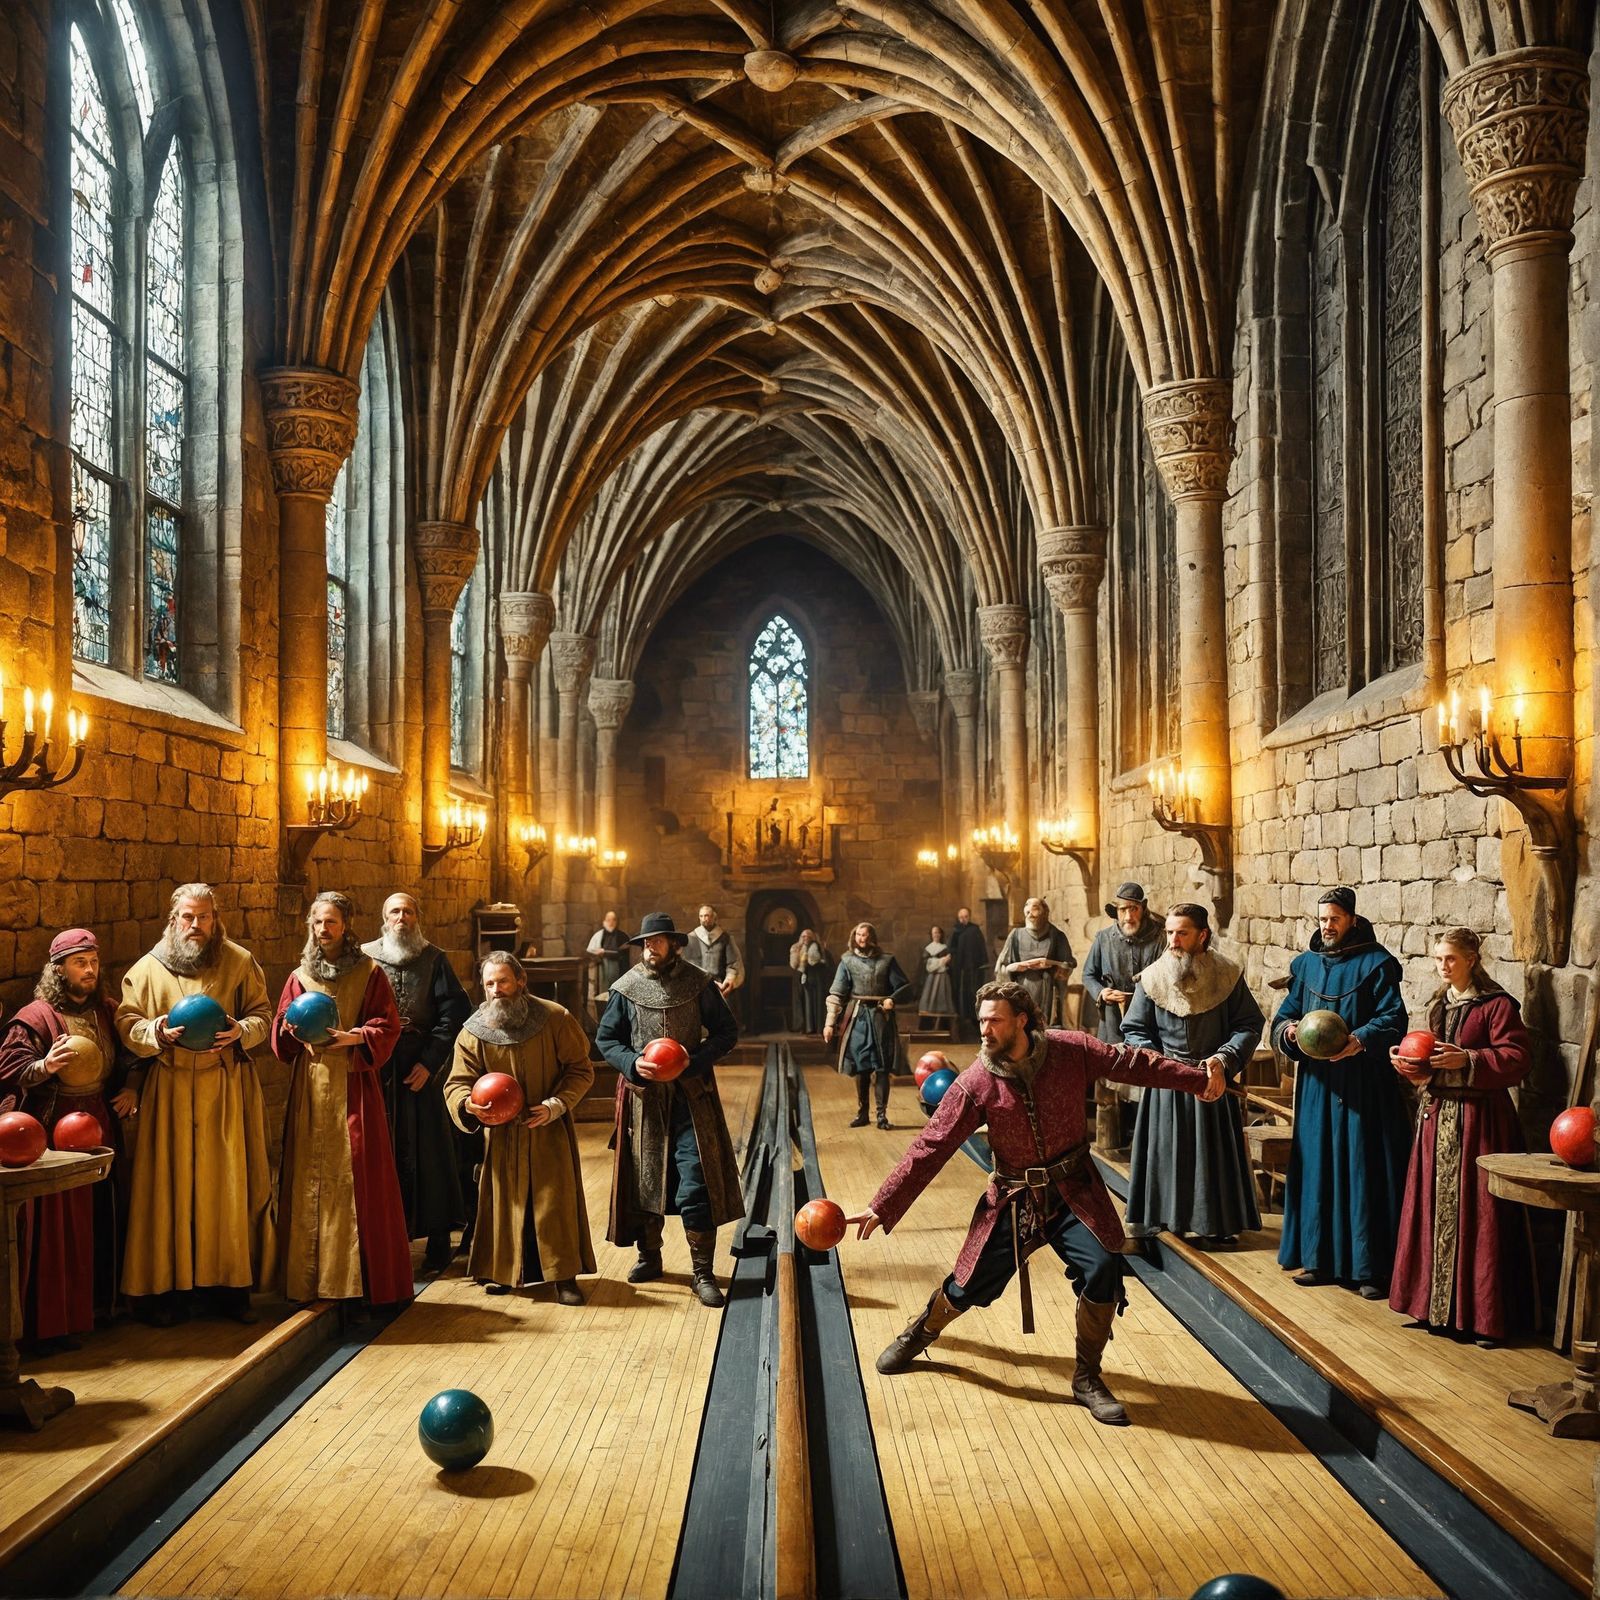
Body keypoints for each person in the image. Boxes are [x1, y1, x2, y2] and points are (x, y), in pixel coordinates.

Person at [846, 980, 1225, 1425]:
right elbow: (931, 1146)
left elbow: (1134, 1062)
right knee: (969, 1286)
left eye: (995, 1020)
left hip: (1074, 1191)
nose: (985, 1029)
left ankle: (1087, 1378)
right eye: (982, 1019)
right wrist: (883, 1205)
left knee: (1103, 1270)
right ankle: (921, 1331)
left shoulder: (1071, 1050)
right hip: (1013, 1200)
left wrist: (1199, 1078)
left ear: (1022, 1020)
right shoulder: (976, 1082)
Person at [116, 883, 273, 1326]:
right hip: (169, 1090)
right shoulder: (147, 970)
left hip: (223, 1090)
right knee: (168, 1188)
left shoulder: (239, 962)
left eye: (204, 917)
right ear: (173, 919)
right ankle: (166, 1293)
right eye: (188, 917)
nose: (196, 925)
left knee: (224, 1189)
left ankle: (227, 1289)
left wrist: (241, 1031)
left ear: (215, 918)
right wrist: (157, 1032)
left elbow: (263, 1013)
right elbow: (127, 1021)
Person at [1388, 928, 1534, 1346]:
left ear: (1472, 958)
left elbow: (1518, 1058)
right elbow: (1430, 1062)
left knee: (1480, 1214)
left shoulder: (1498, 1006)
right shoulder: (1439, 1005)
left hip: (1480, 1122)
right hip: (1437, 1121)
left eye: (1450, 958)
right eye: (1438, 959)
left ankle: (1483, 1317)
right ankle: (1432, 1308)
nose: (1443, 966)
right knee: (1431, 1210)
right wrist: (1409, 1065)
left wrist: (1469, 1058)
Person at [270, 892, 411, 1308]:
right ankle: (308, 1282)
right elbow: (282, 1025)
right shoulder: (299, 976)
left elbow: (388, 1024)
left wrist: (356, 1038)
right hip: (310, 1091)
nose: (324, 930)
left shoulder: (368, 973)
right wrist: (289, 1034)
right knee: (306, 1177)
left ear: (346, 925)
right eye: (317, 922)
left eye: (331, 922)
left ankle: (361, 1286)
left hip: (354, 1089)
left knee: (360, 1178)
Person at [598, 911, 742, 1306]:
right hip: (644, 1101)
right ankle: (650, 1256)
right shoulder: (625, 988)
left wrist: (692, 1062)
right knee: (646, 1180)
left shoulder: (698, 984)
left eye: (657, 940)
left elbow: (727, 1032)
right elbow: (607, 1040)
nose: (650, 947)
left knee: (696, 1181)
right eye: (645, 942)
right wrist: (631, 1064)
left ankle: (702, 1272)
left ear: (675, 944)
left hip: (691, 1100)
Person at [1273, 885, 1410, 1298]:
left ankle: (1370, 1270)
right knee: (1318, 1165)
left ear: (1351, 918)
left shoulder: (1378, 963)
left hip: (1364, 1083)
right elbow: (1283, 1016)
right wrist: (1291, 1032)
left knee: (1361, 1168)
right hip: (1317, 1085)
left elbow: (1394, 1018)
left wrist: (1361, 1039)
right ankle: (1319, 1260)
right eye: (1321, 919)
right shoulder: (1305, 965)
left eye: (1334, 918)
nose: (1327, 926)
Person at [0, 930, 132, 1348]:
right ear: (59, 969)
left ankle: (95, 1308)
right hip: (54, 1128)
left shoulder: (109, 1012)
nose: (90, 970)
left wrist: (133, 1088)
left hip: (100, 1124)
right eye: (80, 963)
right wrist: (44, 1066)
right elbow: (9, 1068)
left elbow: (131, 1059)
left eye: (94, 961)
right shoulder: (35, 1017)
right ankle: (52, 1321)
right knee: (58, 1221)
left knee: (101, 1212)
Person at [443, 953, 595, 1304]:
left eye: (504, 981)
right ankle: (503, 1271)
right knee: (505, 1202)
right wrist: (468, 1104)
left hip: (546, 1127)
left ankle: (563, 1276)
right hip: (501, 1134)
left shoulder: (555, 1018)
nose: (497, 990)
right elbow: (456, 1084)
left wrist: (555, 1106)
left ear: (521, 981)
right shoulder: (473, 1031)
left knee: (552, 1202)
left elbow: (581, 1069)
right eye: (490, 984)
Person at [1121, 904, 1264, 1245]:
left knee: (1210, 1159)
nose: (1173, 940)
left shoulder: (1227, 974)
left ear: (1202, 935)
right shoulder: (1152, 977)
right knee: (1168, 1151)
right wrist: (1159, 1063)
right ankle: (1164, 1219)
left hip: (1213, 1081)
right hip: (1167, 1086)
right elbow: (1135, 1029)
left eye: (1181, 933)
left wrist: (1224, 1059)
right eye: (1169, 933)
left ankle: (1214, 1223)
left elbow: (1248, 1025)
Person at [361, 893, 470, 1275]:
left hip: (419, 1066)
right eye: (394, 911)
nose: (401, 918)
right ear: (383, 918)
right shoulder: (364, 958)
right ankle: (385, 1241)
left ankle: (438, 1237)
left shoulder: (434, 959)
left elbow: (453, 1013)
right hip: (375, 1065)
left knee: (431, 1151)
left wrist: (429, 1062)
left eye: (408, 911)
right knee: (380, 1150)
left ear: (417, 918)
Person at [825, 922, 914, 1130]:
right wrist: (829, 1023)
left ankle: (882, 1116)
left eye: (864, 935)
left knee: (882, 1068)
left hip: (881, 1018)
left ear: (871, 937)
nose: (861, 938)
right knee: (861, 1066)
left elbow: (905, 988)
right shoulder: (847, 961)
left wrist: (892, 998)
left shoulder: (886, 961)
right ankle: (863, 1113)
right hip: (858, 1018)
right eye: (858, 934)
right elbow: (837, 993)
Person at [1080, 883, 1165, 1045]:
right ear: (1116, 911)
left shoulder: (1159, 939)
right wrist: (1102, 992)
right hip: (1112, 1020)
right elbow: (1088, 975)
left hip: (1149, 1020)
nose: (1128, 916)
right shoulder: (1103, 939)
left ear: (1143, 908)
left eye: (1133, 909)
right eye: (1123, 910)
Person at [996, 897, 1076, 1026]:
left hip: (1047, 989)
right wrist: (1017, 966)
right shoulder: (1016, 935)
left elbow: (1069, 964)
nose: (1030, 913)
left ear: (1045, 912)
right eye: (1027, 910)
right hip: (1022, 988)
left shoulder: (1056, 935)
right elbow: (1002, 966)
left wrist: (1050, 963)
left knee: (1044, 1027)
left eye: (1035, 908)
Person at [683, 903, 744, 998]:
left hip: (719, 987)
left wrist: (730, 979)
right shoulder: (691, 938)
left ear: (714, 917)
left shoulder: (725, 938)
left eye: (707, 916)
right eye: (701, 916)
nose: (704, 919)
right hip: (696, 988)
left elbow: (733, 963)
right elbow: (684, 963)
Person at [948, 907, 989, 1041]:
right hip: (960, 970)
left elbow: (981, 947)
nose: (963, 919)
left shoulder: (974, 930)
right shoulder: (956, 931)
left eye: (965, 916)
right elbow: (951, 948)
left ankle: (975, 1022)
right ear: (958, 918)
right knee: (961, 994)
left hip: (974, 969)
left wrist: (982, 962)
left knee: (973, 993)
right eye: (961, 917)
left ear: (969, 917)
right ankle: (963, 1022)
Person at [586, 910, 630, 1004]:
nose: (611, 922)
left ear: (616, 922)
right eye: (608, 920)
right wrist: (598, 953)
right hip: (602, 969)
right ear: (604, 922)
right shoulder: (598, 936)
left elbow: (624, 953)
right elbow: (590, 952)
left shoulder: (623, 936)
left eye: (613, 920)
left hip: (618, 970)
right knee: (603, 995)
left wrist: (607, 952)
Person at [790, 928, 827, 1034]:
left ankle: (813, 1027)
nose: (806, 938)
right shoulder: (796, 947)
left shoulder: (815, 947)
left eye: (808, 936)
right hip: (800, 976)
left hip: (814, 976)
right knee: (801, 1002)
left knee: (813, 1002)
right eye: (804, 936)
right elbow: (794, 964)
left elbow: (818, 961)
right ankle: (802, 1026)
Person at [918, 927, 956, 1031]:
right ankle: (929, 1027)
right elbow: (927, 965)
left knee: (943, 998)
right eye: (934, 933)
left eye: (938, 932)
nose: (936, 934)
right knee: (929, 1000)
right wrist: (941, 961)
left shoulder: (944, 947)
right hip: (931, 978)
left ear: (941, 934)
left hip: (942, 977)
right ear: (931, 934)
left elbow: (949, 962)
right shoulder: (928, 948)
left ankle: (943, 1027)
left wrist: (942, 962)